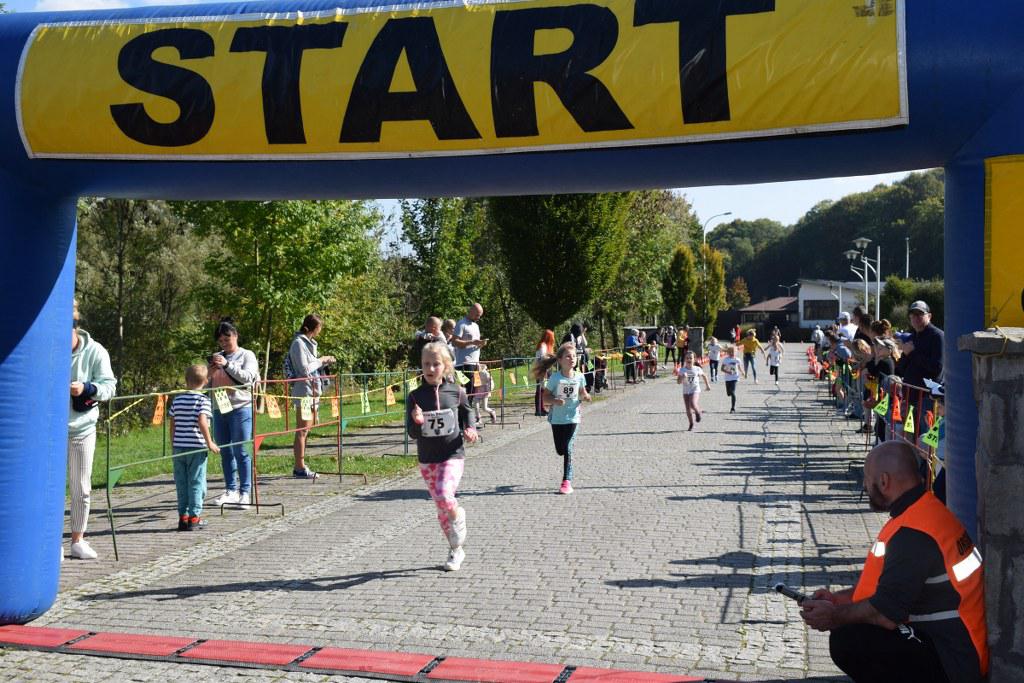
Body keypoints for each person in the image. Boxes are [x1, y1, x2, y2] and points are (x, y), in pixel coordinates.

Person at [800, 441, 988, 683]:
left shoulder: (913, 534)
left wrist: (834, 616)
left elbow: (885, 613)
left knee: (848, 639)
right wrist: (838, 600)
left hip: (953, 661)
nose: (864, 485)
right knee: (853, 626)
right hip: (956, 646)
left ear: (884, 481)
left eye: (867, 479)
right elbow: (883, 589)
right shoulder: (923, 512)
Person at [406, 342, 478, 571]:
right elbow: (411, 432)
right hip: (427, 458)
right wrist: (417, 422)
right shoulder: (415, 396)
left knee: (445, 495)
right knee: (441, 507)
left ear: (445, 366)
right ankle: (456, 549)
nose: (430, 368)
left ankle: (459, 519)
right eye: (426, 364)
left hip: (452, 454)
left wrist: (471, 429)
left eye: (435, 364)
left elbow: (468, 412)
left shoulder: (456, 391)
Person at [67, 299, 117, 560]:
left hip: (82, 430)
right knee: (49, 490)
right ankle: (51, 543)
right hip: (50, 433)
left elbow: (109, 387)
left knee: (81, 488)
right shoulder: (49, 347)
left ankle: (78, 540)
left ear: (75, 328)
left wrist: (87, 388)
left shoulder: (96, 351)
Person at [208, 318, 261, 508]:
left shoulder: (247, 355)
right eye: (221, 341)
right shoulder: (217, 357)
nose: (224, 343)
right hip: (220, 407)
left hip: (241, 407)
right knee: (225, 451)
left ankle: (245, 492)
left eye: (227, 339)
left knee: (241, 450)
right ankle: (231, 490)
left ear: (235, 336)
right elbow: (206, 384)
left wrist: (227, 365)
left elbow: (248, 379)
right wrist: (209, 371)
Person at [534, 342, 592, 494]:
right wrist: (555, 401)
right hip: (557, 419)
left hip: (573, 417)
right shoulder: (555, 378)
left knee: (568, 448)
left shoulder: (580, 376)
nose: (572, 359)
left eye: (574, 356)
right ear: (559, 360)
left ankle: (566, 481)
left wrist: (586, 396)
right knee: (560, 450)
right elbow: (545, 398)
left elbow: (582, 392)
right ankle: (566, 475)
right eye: (568, 356)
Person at [168, 364, 220, 531]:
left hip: (179, 447)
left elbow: (172, 424)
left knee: (181, 482)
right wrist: (210, 442)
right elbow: (202, 421)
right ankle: (194, 517)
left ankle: (183, 517)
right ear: (206, 381)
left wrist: (173, 443)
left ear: (186, 380)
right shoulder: (203, 400)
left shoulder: (177, 400)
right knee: (196, 482)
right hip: (196, 447)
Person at [286, 314, 335, 481]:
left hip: (313, 391)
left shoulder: (310, 343)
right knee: (302, 430)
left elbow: (313, 366)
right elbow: (304, 369)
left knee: (307, 429)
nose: (320, 330)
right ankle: (299, 467)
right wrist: (321, 360)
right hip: (304, 393)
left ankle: (301, 464)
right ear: (313, 328)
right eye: (319, 327)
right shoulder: (298, 343)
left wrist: (324, 362)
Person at [896, 300, 944, 389]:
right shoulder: (912, 337)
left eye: (919, 314)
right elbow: (901, 369)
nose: (915, 317)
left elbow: (936, 368)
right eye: (912, 314)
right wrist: (905, 355)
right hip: (909, 392)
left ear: (929, 316)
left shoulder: (937, 336)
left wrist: (911, 353)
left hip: (927, 393)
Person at [452, 303, 488, 420]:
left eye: (480, 315)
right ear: (471, 311)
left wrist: (480, 344)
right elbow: (454, 342)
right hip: (463, 363)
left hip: (474, 363)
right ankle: (462, 419)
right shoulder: (461, 324)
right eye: (477, 315)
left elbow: (475, 343)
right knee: (467, 392)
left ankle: (466, 418)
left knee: (473, 391)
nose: (479, 317)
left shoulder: (476, 326)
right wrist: (472, 342)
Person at [675, 351, 711, 430]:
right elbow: (678, 382)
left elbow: (704, 376)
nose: (689, 359)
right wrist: (682, 377)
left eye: (691, 358)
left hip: (695, 389)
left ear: (694, 359)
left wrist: (707, 385)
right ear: (685, 359)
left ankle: (698, 412)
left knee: (693, 403)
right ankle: (691, 423)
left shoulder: (697, 369)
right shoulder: (682, 370)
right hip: (686, 391)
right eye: (687, 358)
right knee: (688, 409)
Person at [534, 329, 555, 416]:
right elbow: (543, 358)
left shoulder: (545, 345)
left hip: (544, 368)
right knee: (540, 389)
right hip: (541, 369)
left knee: (543, 389)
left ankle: (542, 408)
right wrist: (551, 358)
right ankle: (539, 409)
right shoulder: (543, 345)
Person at [720, 345, 745, 413]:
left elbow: (739, 367)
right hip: (727, 378)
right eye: (730, 352)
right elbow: (722, 369)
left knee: (733, 392)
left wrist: (742, 372)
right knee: (728, 393)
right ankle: (731, 394)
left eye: (733, 352)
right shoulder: (726, 360)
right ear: (728, 352)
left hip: (735, 378)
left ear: (736, 352)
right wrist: (728, 372)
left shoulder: (737, 360)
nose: (732, 353)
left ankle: (732, 408)